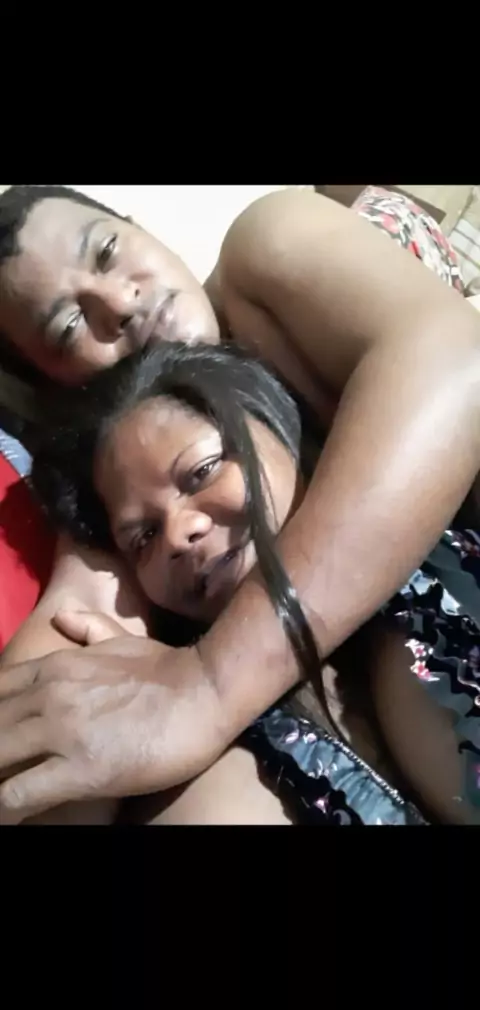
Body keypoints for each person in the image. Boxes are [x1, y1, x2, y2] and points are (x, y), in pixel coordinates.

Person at [1, 184, 480, 823]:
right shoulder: (115, 483)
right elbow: (68, 642)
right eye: (68, 327)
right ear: (57, 386)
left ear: (139, 228)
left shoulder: (266, 256)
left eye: (108, 250)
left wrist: (212, 682)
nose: (120, 303)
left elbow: (457, 361)